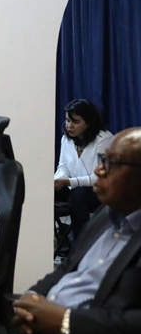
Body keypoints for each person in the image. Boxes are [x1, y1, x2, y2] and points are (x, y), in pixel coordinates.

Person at [13, 126, 141, 334]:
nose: (99, 170)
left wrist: (66, 321)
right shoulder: (106, 214)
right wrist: (31, 299)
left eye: (112, 163)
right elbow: (67, 268)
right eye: (102, 160)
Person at [54, 99, 114, 241]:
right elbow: (63, 168)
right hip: (74, 187)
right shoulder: (66, 139)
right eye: (67, 120)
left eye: (75, 122)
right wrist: (57, 179)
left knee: (78, 196)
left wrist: (68, 181)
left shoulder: (104, 139)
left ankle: (81, 244)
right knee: (46, 190)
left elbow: (98, 178)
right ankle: (46, 240)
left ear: (88, 122)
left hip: (101, 191)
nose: (69, 126)